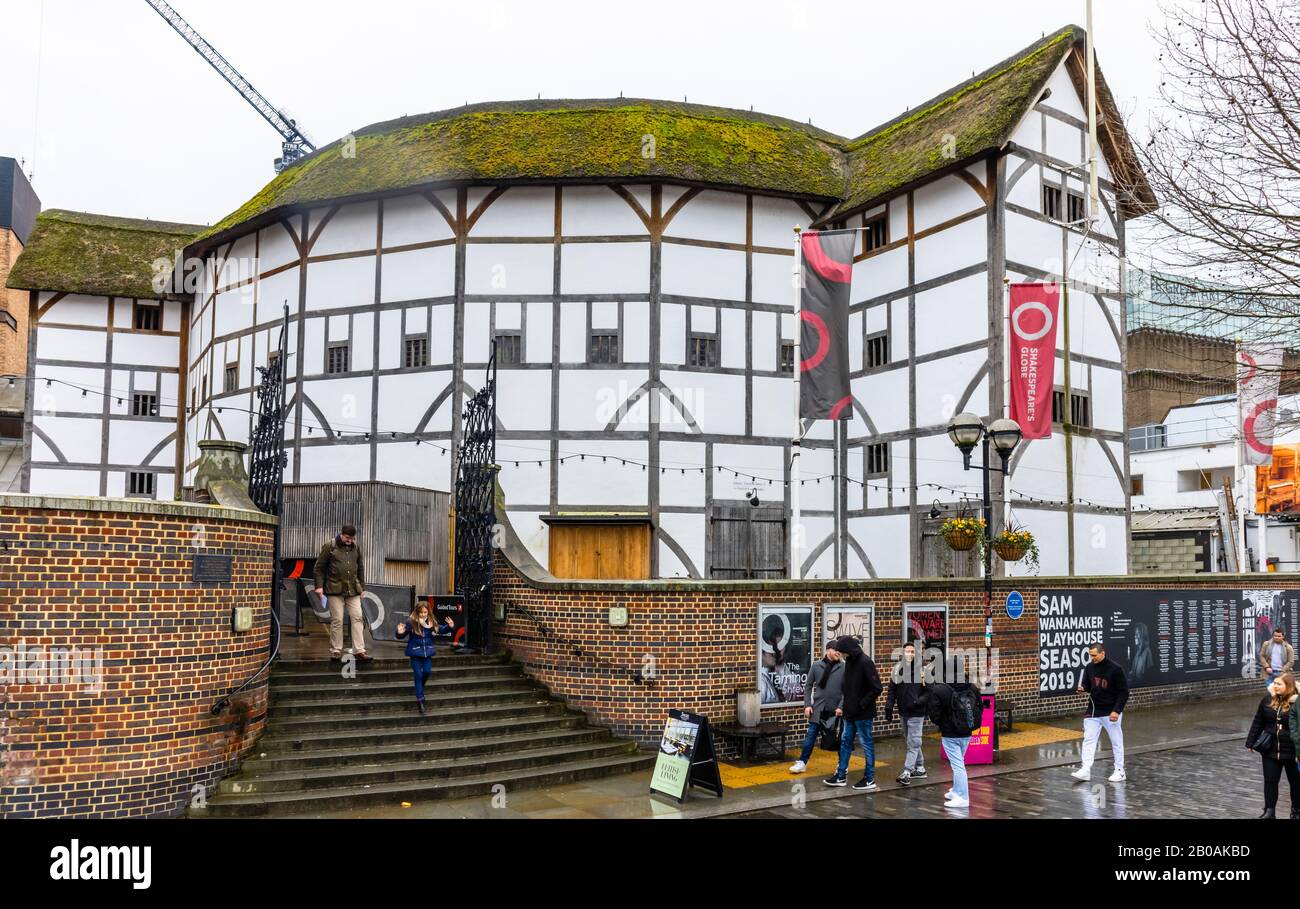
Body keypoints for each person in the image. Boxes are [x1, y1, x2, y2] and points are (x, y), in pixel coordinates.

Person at [822, 635, 881, 792]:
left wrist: (861, 705)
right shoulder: (849, 662)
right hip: (849, 713)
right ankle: (841, 776)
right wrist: (846, 707)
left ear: (848, 650)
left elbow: (877, 688)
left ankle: (869, 778)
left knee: (866, 744)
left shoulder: (865, 662)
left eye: (842, 651)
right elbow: (848, 688)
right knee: (845, 742)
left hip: (863, 714)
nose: (841, 655)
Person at [919, 672, 981, 810]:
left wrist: (944, 724)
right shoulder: (972, 687)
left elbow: (934, 714)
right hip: (967, 732)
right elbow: (979, 709)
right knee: (958, 763)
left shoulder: (940, 689)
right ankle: (956, 791)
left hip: (950, 735)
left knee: (958, 766)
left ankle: (963, 798)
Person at [1071, 642, 1129, 783]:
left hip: (1111, 711)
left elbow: (1124, 692)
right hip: (1093, 710)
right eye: (1090, 655)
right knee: (1089, 739)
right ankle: (1085, 770)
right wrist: (1082, 688)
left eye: (1095, 655)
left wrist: (1117, 710)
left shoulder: (1116, 669)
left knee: (1116, 741)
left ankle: (1120, 771)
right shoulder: (1089, 667)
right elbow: (1088, 686)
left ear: (1103, 653)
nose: (1092, 658)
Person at [314, 523, 371, 663]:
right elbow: (319, 568)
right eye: (347, 537)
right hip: (334, 589)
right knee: (337, 620)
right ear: (341, 534)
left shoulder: (356, 547)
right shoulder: (330, 546)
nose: (349, 540)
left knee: (358, 617)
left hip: (353, 589)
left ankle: (359, 650)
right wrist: (319, 586)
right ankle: (336, 650)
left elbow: (361, 567)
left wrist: (362, 587)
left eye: (352, 538)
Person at [789, 642, 844, 774]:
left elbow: (846, 690)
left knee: (839, 738)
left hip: (835, 710)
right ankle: (802, 762)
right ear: (828, 650)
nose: (838, 653)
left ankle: (841, 766)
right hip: (818, 708)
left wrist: (841, 706)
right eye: (835, 650)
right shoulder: (816, 665)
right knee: (810, 736)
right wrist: (807, 704)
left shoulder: (844, 667)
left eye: (839, 651)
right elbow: (808, 686)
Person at [395, 602, 455, 714]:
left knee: (427, 672)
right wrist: (399, 632)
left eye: (425, 612)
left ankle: (419, 689)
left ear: (428, 612)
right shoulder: (411, 621)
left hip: (427, 652)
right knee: (418, 674)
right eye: (421, 612)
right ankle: (420, 700)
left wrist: (450, 626)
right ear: (417, 612)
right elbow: (401, 634)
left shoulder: (431, 622)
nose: (423, 614)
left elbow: (441, 629)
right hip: (415, 652)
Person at [884, 642, 928, 785]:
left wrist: (917, 702)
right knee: (911, 740)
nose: (909, 654)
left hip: (917, 712)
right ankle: (920, 768)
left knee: (913, 742)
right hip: (903, 711)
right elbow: (892, 690)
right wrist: (889, 707)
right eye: (907, 651)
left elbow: (930, 692)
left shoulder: (923, 670)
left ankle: (907, 772)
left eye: (912, 652)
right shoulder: (897, 669)